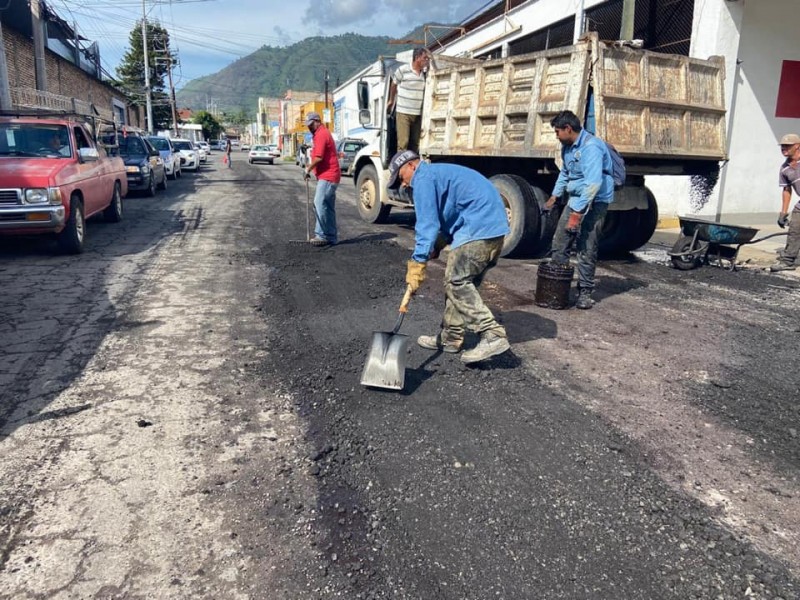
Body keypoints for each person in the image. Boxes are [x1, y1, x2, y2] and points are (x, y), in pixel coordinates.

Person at [388, 150, 511, 364]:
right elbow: (451, 215)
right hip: (492, 230)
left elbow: (427, 225)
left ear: (412, 166)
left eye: (401, 178)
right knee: (459, 283)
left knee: (456, 282)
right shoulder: (437, 175)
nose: (404, 185)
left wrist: (417, 263)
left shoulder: (423, 179)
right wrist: (438, 244)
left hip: (478, 229)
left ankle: (492, 335)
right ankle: (451, 337)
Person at [543, 110, 615, 309]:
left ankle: (585, 292)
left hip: (596, 199)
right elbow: (565, 173)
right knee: (560, 241)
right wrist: (554, 197)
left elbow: (592, 184)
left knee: (586, 245)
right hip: (577, 198)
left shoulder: (591, 148)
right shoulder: (567, 147)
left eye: (557, 132)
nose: (556, 136)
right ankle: (558, 288)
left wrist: (576, 215)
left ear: (568, 129)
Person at [303, 112, 340, 246]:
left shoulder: (321, 134)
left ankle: (321, 235)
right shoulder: (320, 134)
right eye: (308, 126)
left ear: (317, 121)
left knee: (319, 204)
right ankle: (331, 236)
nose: (310, 128)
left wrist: (308, 169)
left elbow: (319, 157)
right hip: (329, 175)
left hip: (328, 176)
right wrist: (310, 167)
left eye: (311, 125)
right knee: (327, 206)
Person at [386, 48, 430, 153]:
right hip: (403, 113)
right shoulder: (403, 70)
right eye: (425, 58)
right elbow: (394, 84)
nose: (426, 61)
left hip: (417, 114)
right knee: (403, 143)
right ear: (417, 58)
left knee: (415, 143)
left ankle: (413, 166)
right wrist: (391, 100)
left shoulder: (425, 73)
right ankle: (402, 167)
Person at [769, 133, 800, 272]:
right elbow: (787, 190)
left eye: (787, 146)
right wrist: (783, 212)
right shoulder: (784, 168)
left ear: (797, 146)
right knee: (794, 230)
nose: (784, 148)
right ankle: (788, 261)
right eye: (782, 146)